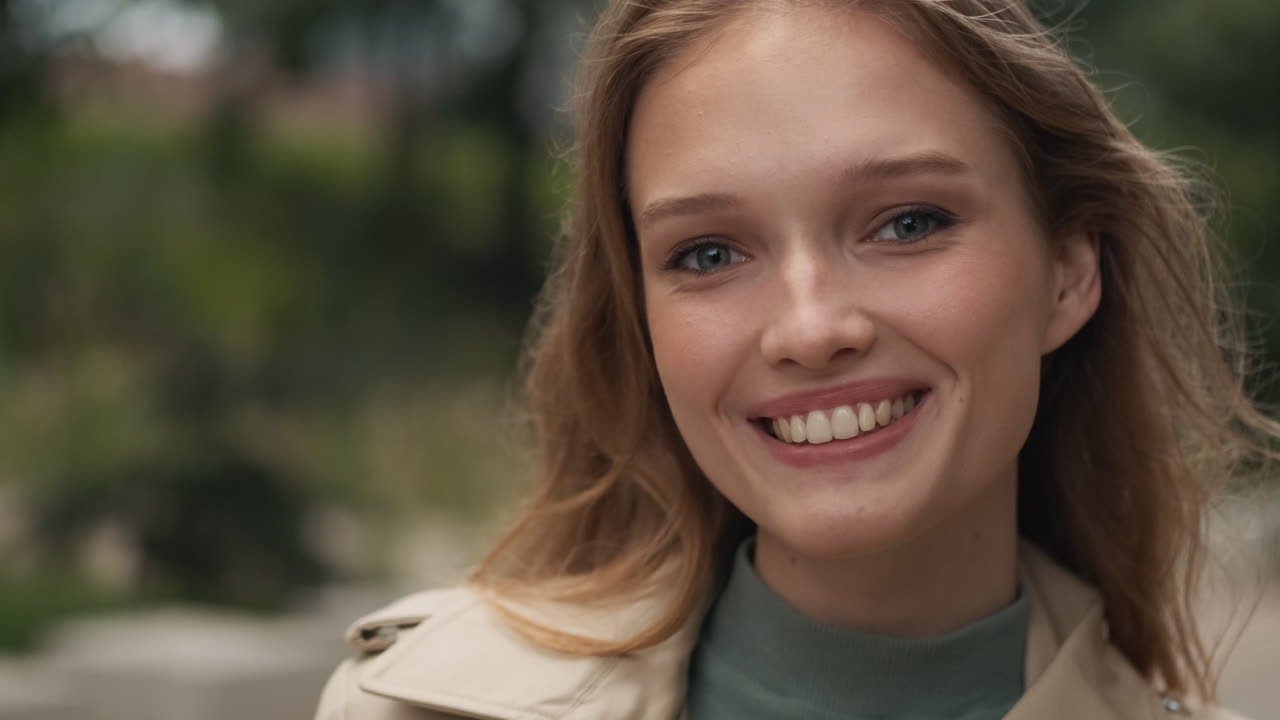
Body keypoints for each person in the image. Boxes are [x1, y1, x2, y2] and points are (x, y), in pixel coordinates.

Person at [315, 1, 1278, 718]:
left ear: (1069, 272)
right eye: (709, 254)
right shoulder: (405, 708)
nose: (811, 328)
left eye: (909, 222)